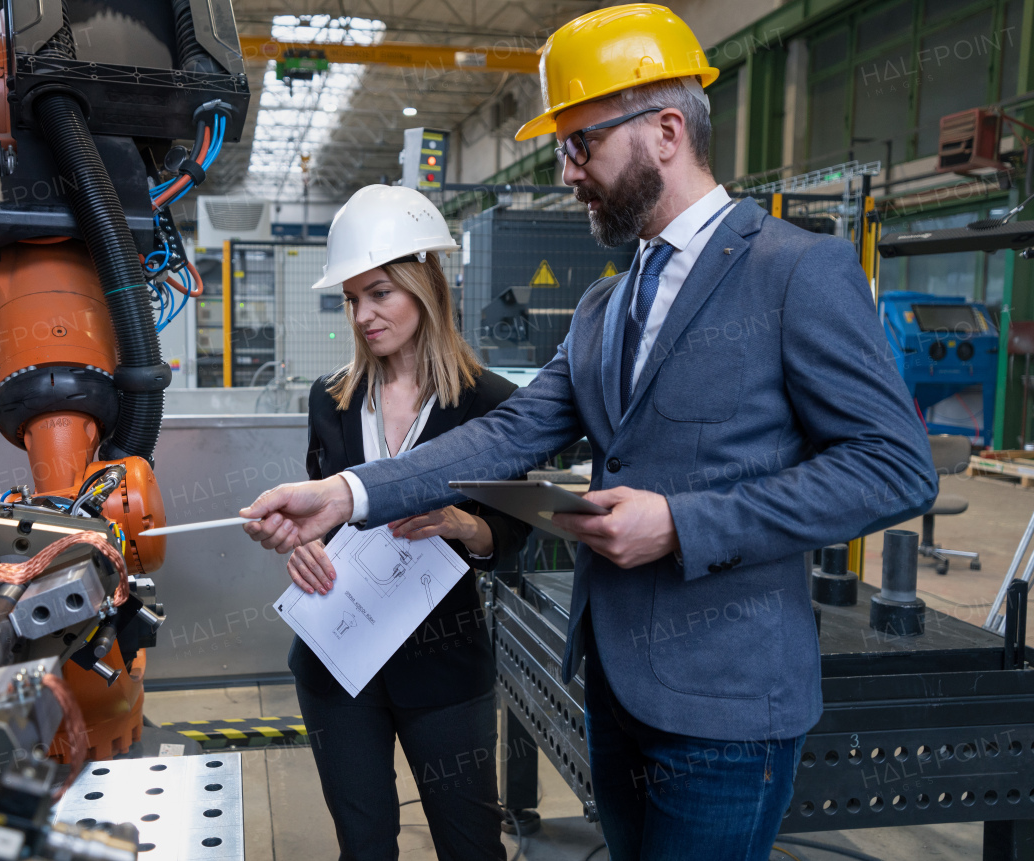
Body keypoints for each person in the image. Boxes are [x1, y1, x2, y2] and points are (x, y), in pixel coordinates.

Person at [242, 5, 937, 859]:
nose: (567, 172)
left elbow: (894, 467)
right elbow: (508, 434)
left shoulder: (795, 272)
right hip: (614, 690)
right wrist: (345, 491)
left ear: (667, 130)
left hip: (727, 706)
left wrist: (682, 523)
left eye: (581, 145)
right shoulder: (606, 306)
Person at [281, 184, 531, 861]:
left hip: (442, 667)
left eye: (380, 293)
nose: (363, 315)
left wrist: (460, 523)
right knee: (364, 846)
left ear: (426, 286)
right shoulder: (331, 400)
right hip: (337, 662)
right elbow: (319, 511)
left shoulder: (491, 404)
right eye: (351, 298)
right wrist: (300, 545)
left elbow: (511, 535)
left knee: (471, 844)